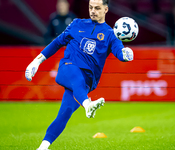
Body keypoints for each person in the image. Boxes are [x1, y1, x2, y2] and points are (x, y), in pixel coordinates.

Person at [25, 0, 134, 149]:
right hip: (67, 68)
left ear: (106, 9)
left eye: (97, 8)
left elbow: (120, 53)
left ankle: (42, 147)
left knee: (65, 113)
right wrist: (36, 62)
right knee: (75, 74)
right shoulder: (76, 24)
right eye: (90, 7)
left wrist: (126, 54)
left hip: (86, 83)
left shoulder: (110, 34)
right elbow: (57, 43)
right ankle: (88, 104)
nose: (93, 11)